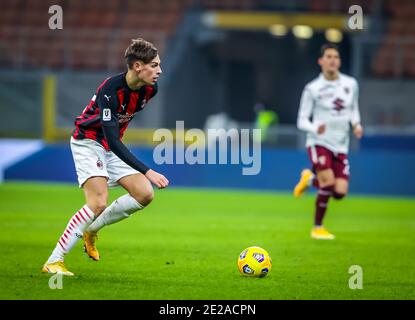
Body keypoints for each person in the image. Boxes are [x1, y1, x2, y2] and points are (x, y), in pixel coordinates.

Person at [42, 38, 169, 276]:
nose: (160, 71)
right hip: (88, 141)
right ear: (138, 66)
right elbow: (112, 139)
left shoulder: (150, 89)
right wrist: (147, 170)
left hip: (110, 146)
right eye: (154, 65)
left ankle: (91, 231)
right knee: (98, 202)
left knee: (144, 194)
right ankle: (54, 261)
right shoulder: (110, 90)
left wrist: (144, 175)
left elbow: (114, 138)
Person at [293, 43, 363, 240]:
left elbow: (353, 109)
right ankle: (317, 227)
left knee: (340, 192)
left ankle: (309, 179)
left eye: (336, 57)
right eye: (329, 56)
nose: (333, 60)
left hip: (341, 144)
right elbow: (301, 120)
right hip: (319, 142)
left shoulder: (351, 84)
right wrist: (315, 128)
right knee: (329, 183)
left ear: (339, 61)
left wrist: (356, 124)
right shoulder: (312, 89)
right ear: (321, 61)